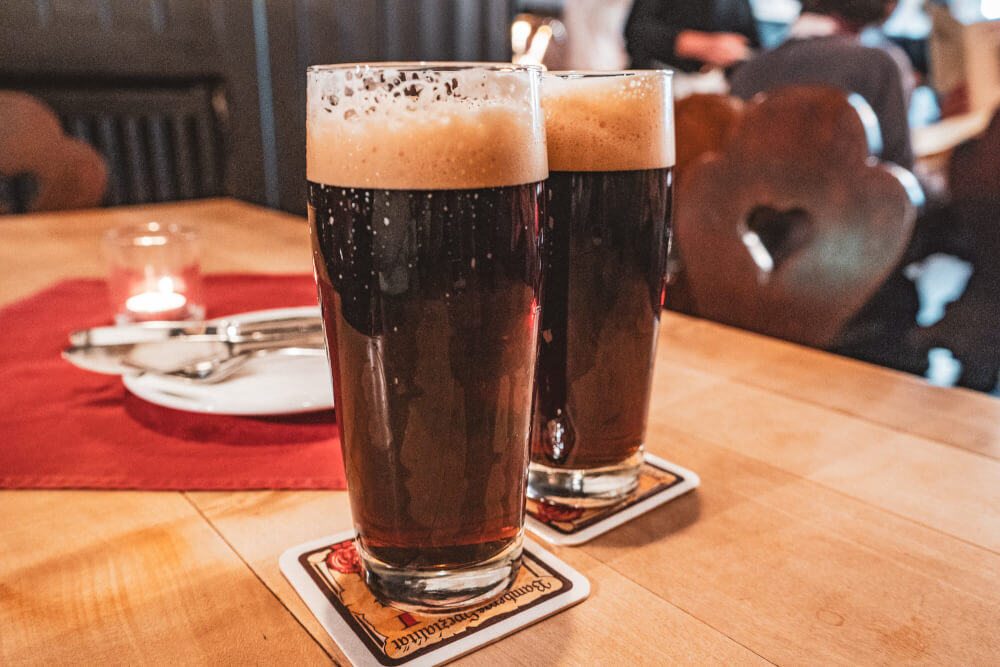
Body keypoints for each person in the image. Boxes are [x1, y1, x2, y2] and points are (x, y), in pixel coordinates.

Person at [729, 0, 914, 168]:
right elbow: (898, 169)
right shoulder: (879, 64)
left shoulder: (747, 72)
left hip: (761, 204)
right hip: (854, 203)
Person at [624, 0, 762, 72]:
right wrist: (697, 45)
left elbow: (754, 43)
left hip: (717, 89)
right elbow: (636, 31)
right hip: (666, 83)